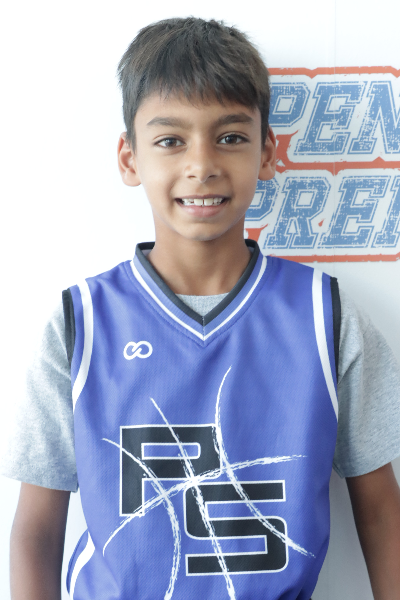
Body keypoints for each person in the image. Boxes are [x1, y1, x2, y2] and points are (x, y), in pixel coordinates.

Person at [2, 16, 400, 600]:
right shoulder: (80, 323)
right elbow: (37, 529)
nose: (202, 164)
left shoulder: (326, 317)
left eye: (230, 137)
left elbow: (382, 511)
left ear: (267, 153)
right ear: (129, 158)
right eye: (171, 140)